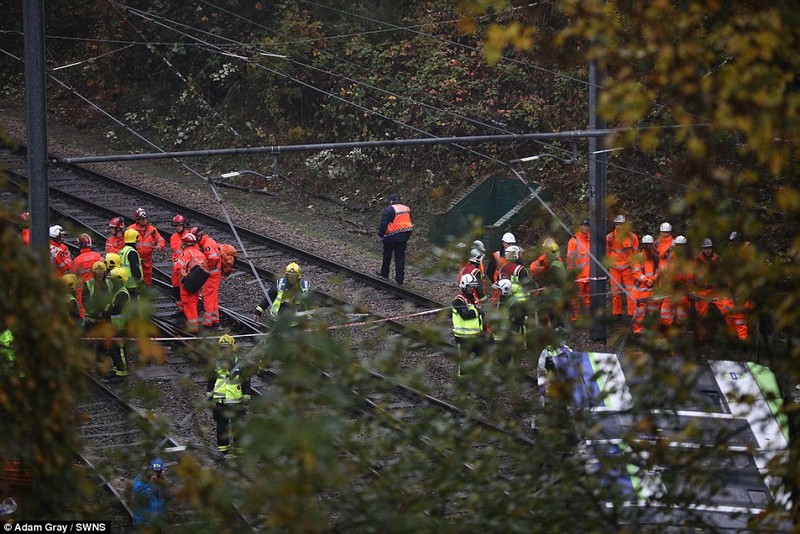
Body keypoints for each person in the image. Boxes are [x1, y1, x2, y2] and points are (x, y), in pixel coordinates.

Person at [693, 238, 747, 341]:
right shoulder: (697, 260)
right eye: (706, 248)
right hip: (702, 291)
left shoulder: (717, 259)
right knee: (701, 315)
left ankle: (733, 336)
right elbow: (691, 275)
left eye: (709, 248)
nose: (708, 250)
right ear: (702, 249)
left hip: (716, 291)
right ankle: (701, 338)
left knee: (726, 309)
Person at [207, 335, 252, 455]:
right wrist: (209, 397)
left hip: (237, 402)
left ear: (232, 347)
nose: (224, 350)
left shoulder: (239, 363)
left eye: (226, 348)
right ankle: (223, 450)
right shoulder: (215, 363)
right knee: (222, 427)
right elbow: (211, 381)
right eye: (222, 348)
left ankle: (239, 450)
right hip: (220, 402)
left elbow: (246, 381)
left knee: (237, 427)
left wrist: (246, 396)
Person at [451, 273, 485, 377]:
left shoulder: (472, 297)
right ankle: (462, 379)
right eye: (470, 286)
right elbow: (466, 315)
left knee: (481, 355)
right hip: (463, 336)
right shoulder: (458, 300)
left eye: (473, 286)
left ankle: (478, 375)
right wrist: (478, 311)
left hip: (475, 334)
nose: (472, 289)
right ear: (464, 286)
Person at [605, 214, 639, 319]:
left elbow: (636, 254)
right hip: (614, 268)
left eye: (621, 224)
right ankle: (617, 314)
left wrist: (636, 269)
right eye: (617, 225)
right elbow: (607, 252)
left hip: (628, 267)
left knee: (630, 292)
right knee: (615, 292)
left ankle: (631, 314)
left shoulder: (633, 237)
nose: (619, 227)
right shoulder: (609, 237)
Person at [83, 261, 114, 374]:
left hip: (104, 318)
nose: (100, 274)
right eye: (97, 272)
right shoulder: (88, 284)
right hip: (91, 318)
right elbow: (85, 300)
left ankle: (100, 364)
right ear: (94, 273)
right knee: (88, 342)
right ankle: (87, 365)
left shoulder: (109, 283)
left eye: (101, 272)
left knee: (102, 343)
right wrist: (95, 313)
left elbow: (111, 299)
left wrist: (105, 311)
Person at [175, 232, 209, 334]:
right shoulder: (200, 254)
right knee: (194, 304)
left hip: (187, 284)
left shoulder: (186, 253)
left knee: (189, 305)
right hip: (197, 284)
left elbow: (177, 267)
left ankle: (193, 328)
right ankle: (192, 325)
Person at [376, 193, 413, 285]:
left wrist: (380, 235)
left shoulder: (389, 209)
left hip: (391, 236)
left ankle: (384, 273)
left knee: (387, 255)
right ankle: (399, 279)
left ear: (391, 201)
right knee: (400, 257)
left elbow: (383, 224)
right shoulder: (407, 209)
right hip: (404, 236)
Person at [127, 208, 166, 285]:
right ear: (137, 220)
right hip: (135, 261)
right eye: (141, 219)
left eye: (145, 218)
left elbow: (161, 240)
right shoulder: (131, 230)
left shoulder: (152, 230)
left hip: (147, 262)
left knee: (147, 282)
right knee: (135, 280)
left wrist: (160, 246)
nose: (144, 221)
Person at [105, 267, 131, 381]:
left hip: (121, 327)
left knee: (119, 349)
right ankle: (117, 368)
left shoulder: (122, 294)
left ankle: (122, 372)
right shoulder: (117, 292)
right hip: (115, 326)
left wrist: (107, 309)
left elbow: (115, 309)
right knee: (113, 349)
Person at [535, 239, 567, 329]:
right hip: (558, 295)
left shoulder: (554, 266)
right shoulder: (558, 262)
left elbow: (554, 282)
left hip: (554, 297)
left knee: (556, 319)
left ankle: (559, 338)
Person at [630, 235, 659, 335]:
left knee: (654, 311)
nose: (649, 246)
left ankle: (654, 330)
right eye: (647, 245)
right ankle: (637, 331)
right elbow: (636, 272)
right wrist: (647, 281)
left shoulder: (655, 257)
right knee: (639, 313)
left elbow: (658, 271)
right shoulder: (638, 257)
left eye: (650, 244)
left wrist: (653, 279)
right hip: (641, 291)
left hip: (652, 291)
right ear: (643, 245)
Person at [195, 227, 222, 329]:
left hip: (212, 275)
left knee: (208, 296)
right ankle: (215, 319)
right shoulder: (208, 241)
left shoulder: (207, 245)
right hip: (215, 274)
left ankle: (208, 321)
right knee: (213, 297)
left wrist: (207, 267)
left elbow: (213, 258)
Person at [132, 458, 170, 530]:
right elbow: (140, 498)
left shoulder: (162, 479)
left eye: (158, 471)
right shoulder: (140, 479)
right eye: (153, 471)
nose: (155, 474)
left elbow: (169, 498)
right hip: (142, 522)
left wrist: (164, 484)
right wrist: (151, 484)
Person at [71, 233, 103, 317]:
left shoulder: (77, 260)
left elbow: (72, 275)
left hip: (82, 290)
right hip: (98, 287)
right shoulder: (98, 256)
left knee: (83, 309)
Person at [566, 220, 591, 322]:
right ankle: (576, 318)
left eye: (587, 225)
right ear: (580, 227)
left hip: (589, 275)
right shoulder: (574, 241)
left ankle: (587, 317)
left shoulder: (591, 240)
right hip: (578, 276)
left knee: (588, 298)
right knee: (575, 298)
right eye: (584, 225)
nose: (586, 227)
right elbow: (570, 259)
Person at [486, 232, 516, 303]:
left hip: (513, 287)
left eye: (512, 244)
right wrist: (496, 283)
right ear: (503, 244)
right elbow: (489, 272)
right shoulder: (497, 256)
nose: (511, 246)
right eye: (509, 244)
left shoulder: (517, 255)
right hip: (500, 289)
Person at [169, 215, 188, 316]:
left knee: (185, 291)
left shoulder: (189, 237)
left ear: (183, 225)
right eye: (175, 226)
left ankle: (187, 311)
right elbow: (174, 253)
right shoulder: (173, 237)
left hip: (185, 270)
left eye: (179, 225)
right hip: (176, 269)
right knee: (176, 289)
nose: (177, 228)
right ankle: (181, 309)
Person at [120, 228, 144, 299]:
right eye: (137, 238)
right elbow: (135, 268)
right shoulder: (132, 252)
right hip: (132, 284)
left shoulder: (123, 250)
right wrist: (139, 281)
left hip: (124, 282)